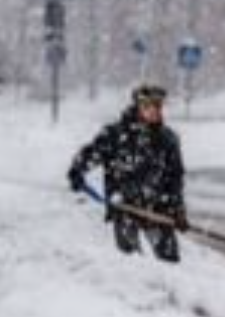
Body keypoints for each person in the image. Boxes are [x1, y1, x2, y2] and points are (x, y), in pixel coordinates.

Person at [68, 84, 188, 263]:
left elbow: (175, 178)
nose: (154, 111)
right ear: (138, 106)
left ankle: (165, 290)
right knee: (131, 264)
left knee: (169, 261)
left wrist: (178, 210)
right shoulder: (116, 134)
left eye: (157, 106)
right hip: (124, 206)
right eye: (148, 106)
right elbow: (91, 154)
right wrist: (77, 171)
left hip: (158, 208)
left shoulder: (168, 139)